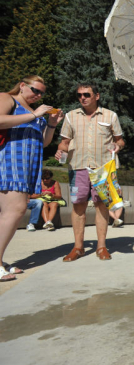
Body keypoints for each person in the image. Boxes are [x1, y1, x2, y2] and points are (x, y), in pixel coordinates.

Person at [0, 76, 64, 281]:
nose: (38, 95)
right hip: (9, 161)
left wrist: (51, 124)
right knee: (15, 210)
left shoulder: (35, 113)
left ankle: (0, 261)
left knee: (14, 213)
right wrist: (34, 114)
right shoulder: (8, 99)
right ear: (21, 86)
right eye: (35, 90)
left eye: (41, 93)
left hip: (27, 167)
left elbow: (44, 142)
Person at [56, 83, 125, 262]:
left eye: (86, 94)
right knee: (78, 206)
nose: (82, 98)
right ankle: (78, 247)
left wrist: (118, 146)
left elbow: (120, 140)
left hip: (103, 168)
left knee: (102, 205)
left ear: (97, 96)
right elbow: (64, 142)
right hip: (78, 166)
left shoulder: (110, 115)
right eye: (79, 95)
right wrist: (61, 150)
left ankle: (101, 246)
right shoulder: (71, 116)